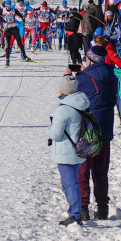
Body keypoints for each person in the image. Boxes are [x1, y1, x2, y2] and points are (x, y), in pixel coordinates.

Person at [75, 44, 118, 220]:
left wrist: (76, 74)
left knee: (83, 170)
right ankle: (102, 208)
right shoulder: (112, 76)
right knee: (101, 171)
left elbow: (71, 95)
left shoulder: (84, 78)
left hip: (87, 129)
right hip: (105, 129)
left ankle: (83, 208)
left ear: (91, 59)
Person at [48, 74, 90, 226]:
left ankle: (75, 214)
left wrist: (48, 129)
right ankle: (76, 211)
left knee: (69, 184)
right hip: (79, 149)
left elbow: (56, 133)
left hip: (66, 152)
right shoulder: (82, 102)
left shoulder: (64, 109)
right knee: (73, 183)